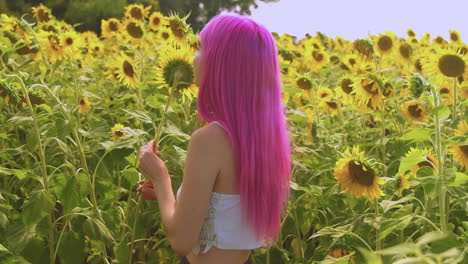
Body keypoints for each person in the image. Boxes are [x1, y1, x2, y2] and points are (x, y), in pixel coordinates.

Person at [137, 14, 292, 264]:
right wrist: (168, 198)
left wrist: (161, 179)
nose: (195, 57)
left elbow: (181, 241)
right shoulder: (263, 139)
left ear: (223, 64)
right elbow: (224, 214)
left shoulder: (210, 139)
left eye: (201, 48)